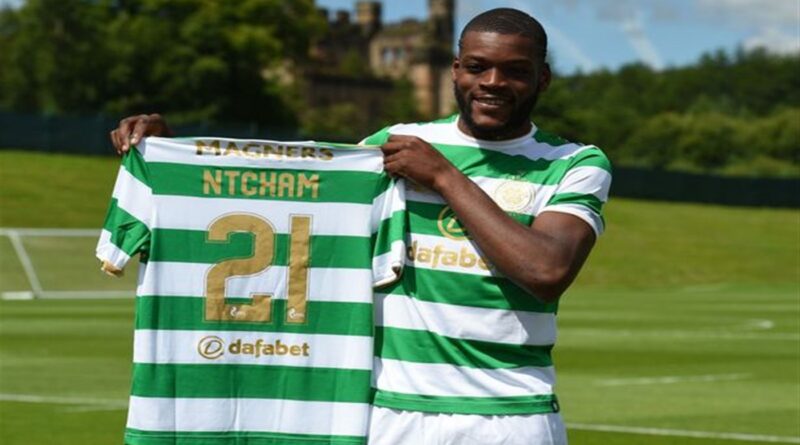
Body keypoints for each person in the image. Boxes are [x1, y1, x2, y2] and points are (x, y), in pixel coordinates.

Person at [110, 8, 611, 445]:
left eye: (516, 71)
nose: (494, 82)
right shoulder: (396, 142)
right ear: (456, 69)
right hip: (388, 414)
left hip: (511, 416)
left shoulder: (573, 163)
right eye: (478, 67)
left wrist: (443, 176)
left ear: (543, 79)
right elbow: (284, 191)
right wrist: (176, 154)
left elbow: (546, 270)